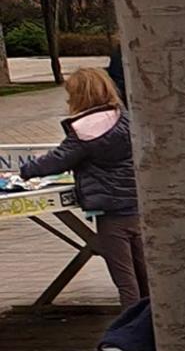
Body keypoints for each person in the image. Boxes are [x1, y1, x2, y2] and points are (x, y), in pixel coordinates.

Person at [20, 68, 145, 307]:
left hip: (111, 212)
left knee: (124, 279)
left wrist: (27, 170)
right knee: (143, 274)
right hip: (136, 205)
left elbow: (58, 160)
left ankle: (132, 332)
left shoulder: (85, 130)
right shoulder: (125, 118)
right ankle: (152, 326)